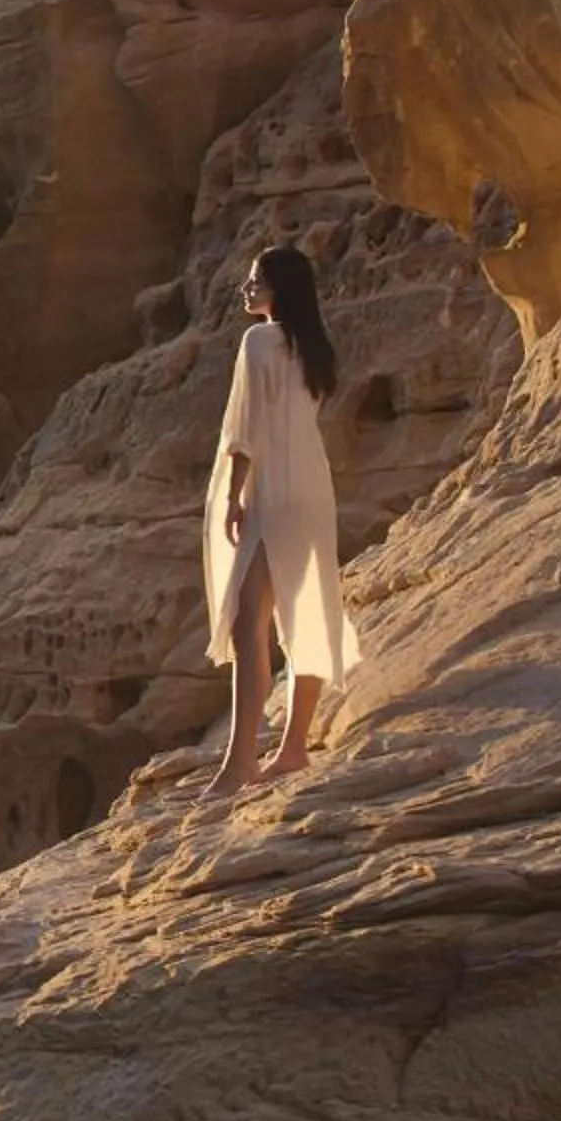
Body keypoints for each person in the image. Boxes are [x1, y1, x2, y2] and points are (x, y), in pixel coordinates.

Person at [202, 244, 358, 795]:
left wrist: (234, 496)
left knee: (250, 624)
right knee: (307, 610)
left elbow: (245, 426)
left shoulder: (257, 341)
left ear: (279, 288)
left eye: (255, 280)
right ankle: (291, 749)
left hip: (275, 490)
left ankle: (239, 762)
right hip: (313, 487)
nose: (246, 288)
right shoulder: (312, 346)